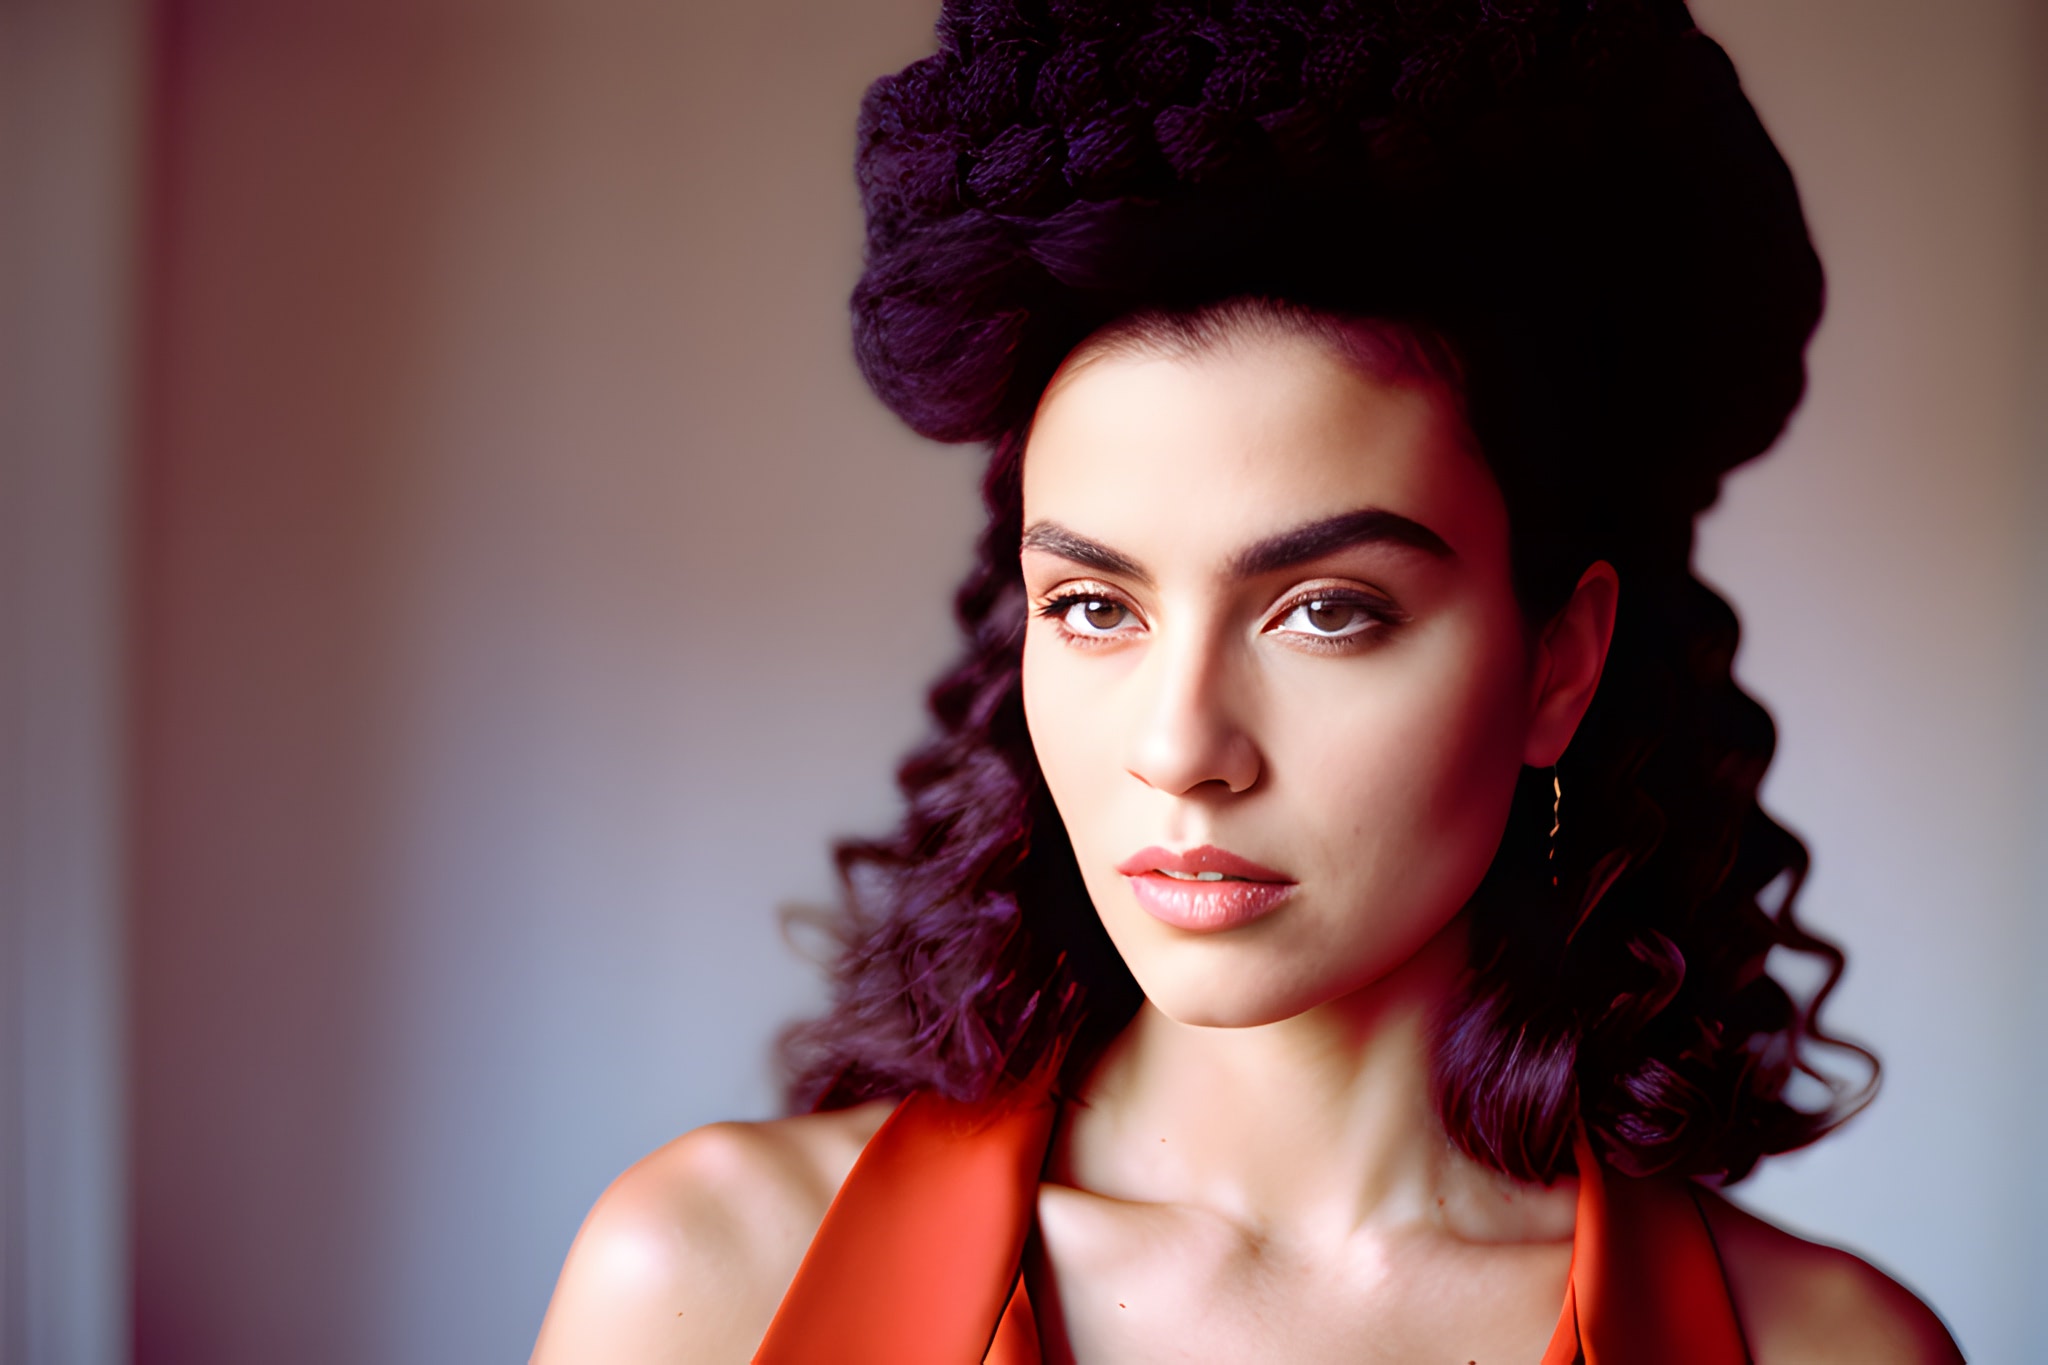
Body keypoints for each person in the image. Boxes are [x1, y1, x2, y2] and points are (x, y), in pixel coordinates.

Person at [532, 1, 1964, 1359]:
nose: (1181, 744)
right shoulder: (709, 1277)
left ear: (1558, 662)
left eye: (1327, 613)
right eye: (1094, 604)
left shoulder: (1826, 1349)